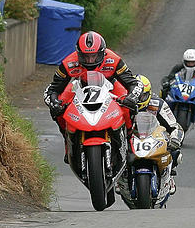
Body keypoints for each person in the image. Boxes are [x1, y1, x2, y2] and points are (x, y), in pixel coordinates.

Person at [43, 31, 143, 161]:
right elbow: (53, 89)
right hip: (79, 85)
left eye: (94, 56)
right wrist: (54, 102)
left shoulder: (114, 60)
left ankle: (130, 140)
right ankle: (68, 142)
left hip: (110, 85)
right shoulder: (69, 63)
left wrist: (132, 96)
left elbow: (133, 82)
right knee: (58, 109)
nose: (90, 60)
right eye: (85, 56)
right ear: (78, 54)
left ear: (102, 52)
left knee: (127, 106)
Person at [117, 75, 184, 200]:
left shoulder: (158, 103)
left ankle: (169, 176)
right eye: (135, 96)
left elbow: (175, 126)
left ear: (148, 94)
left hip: (153, 137)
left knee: (175, 150)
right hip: (130, 137)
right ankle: (119, 176)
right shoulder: (123, 103)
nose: (138, 100)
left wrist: (175, 139)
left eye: (141, 97)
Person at [160, 48, 195, 125]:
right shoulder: (178, 66)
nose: (190, 64)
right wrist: (166, 82)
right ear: (184, 61)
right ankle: (161, 109)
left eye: (193, 62)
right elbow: (170, 77)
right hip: (180, 85)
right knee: (164, 91)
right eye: (188, 62)